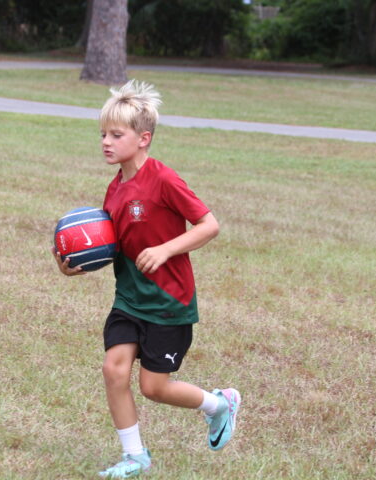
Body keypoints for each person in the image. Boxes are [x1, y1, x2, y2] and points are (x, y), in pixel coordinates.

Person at [52, 79, 241, 478]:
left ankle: (218, 403)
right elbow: (112, 245)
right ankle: (135, 456)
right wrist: (74, 262)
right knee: (113, 371)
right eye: (103, 133)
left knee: (154, 388)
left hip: (168, 302)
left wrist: (166, 249)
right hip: (129, 299)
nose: (106, 141)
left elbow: (209, 225)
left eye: (116, 135)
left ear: (143, 138)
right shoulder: (115, 190)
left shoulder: (163, 179)